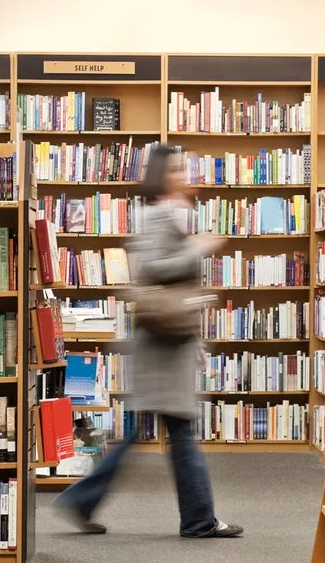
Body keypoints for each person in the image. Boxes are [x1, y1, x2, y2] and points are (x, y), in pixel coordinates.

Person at [55, 145, 243, 539]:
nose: (183, 175)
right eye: (176, 169)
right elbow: (151, 269)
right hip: (160, 343)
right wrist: (197, 247)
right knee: (179, 430)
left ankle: (84, 499)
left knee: (153, 432)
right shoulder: (156, 216)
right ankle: (198, 520)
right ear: (162, 175)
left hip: (166, 341)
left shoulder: (169, 215)